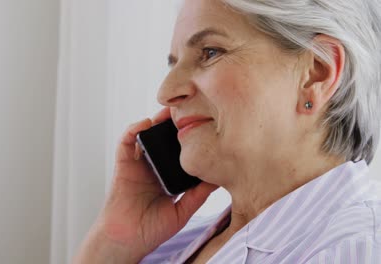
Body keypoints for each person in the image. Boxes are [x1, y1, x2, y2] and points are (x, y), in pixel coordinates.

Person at [74, 0, 381, 262]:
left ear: (317, 72)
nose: (166, 92)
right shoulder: (166, 247)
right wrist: (112, 243)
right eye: (174, 64)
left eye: (209, 52)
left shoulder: (357, 249)